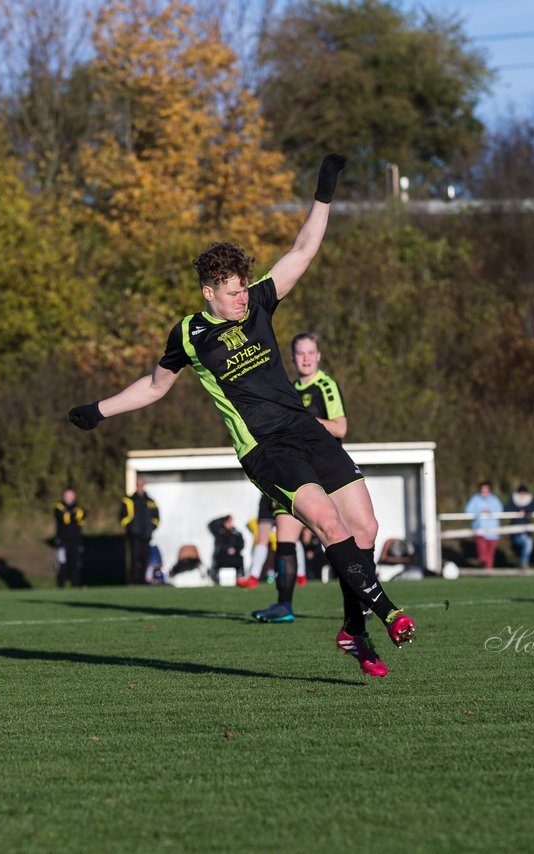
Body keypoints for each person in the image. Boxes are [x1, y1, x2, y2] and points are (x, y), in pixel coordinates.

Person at [68, 153, 414, 677]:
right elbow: (155, 386)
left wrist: (324, 191)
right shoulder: (189, 333)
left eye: (241, 290)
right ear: (209, 291)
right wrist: (99, 410)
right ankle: (387, 611)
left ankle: (353, 631)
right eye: (230, 293)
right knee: (325, 521)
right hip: (264, 448)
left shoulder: (257, 303)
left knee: (364, 528)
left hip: (303, 428)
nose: (239, 300)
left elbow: (302, 250)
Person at [251, 331, 347, 622]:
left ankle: (358, 604)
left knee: (338, 540)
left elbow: (341, 428)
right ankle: (283, 606)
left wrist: (305, 421)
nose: (305, 358)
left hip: (324, 471)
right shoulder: (288, 389)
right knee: (285, 538)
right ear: (292, 358)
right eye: (300, 353)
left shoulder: (325, 386)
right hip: (294, 470)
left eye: (310, 353)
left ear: (318, 356)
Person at [120, 478, 160, 585]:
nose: (140, 486)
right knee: (134, 558)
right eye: (138, 484)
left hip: (146, 535)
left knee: (145, 558)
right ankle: (134, 580)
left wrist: (151, 528)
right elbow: (122, 517)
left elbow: (156, 517)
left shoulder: (150, 501)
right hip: (134, 535)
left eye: (142, 484)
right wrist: (130, 527)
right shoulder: (129, 500)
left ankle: (143, 580)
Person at [464, 481, 504, 570]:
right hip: (480, 529)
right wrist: (479, 512)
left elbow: (500, 511)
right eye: (483, 489)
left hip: (493, 530)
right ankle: (483, 565)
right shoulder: (475, 499)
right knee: (482, 553)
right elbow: (468, 511)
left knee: (490, 553)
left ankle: (488, 571)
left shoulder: (494, 499)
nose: (485, 491)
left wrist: (489, 511)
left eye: (486, 489)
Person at [53, 486, 85, 588]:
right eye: (67, 495)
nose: (69, 498)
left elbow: (82, 516)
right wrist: (72, 516)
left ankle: (76, 584)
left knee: (75, 563)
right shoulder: (59, 506)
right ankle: (61, 585)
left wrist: (72, 515)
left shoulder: (78, 507)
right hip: (62, 540)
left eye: (71, 495)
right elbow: (64, 518)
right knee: (62, 563)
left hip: (75, 540)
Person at [504, 484, 534, 569]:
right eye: (520, 493)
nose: (522, 495)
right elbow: (506, 509)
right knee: (528, 543)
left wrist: (526, 511)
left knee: (528, 543)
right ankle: (524, 563)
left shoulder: (530, 502)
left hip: (526, 531)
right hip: (516, 532)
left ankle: (524, 562)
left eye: (524, 493)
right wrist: (518, 511)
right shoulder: (513, 501)